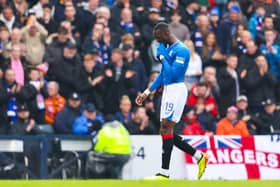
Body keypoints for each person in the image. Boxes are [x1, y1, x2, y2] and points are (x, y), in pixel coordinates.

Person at [135, 22, 208, 180]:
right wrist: (147, 92)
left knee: (166, 129)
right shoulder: (169, 49)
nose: (158, 42)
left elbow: (174, 74)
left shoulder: (182, 50)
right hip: (168, 89)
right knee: (165, 130)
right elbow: (163, 75)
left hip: (177, 90)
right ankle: (198, 156)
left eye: (158, 38)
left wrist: (162, 57)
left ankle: (164, 173)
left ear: (165, 33)